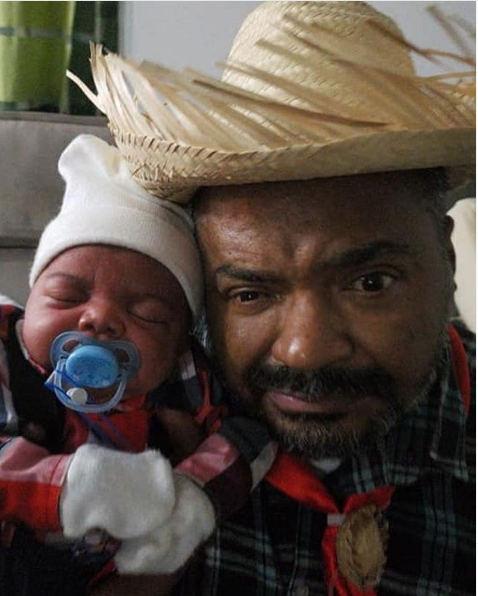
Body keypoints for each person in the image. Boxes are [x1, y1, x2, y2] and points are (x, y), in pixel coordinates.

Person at [69, 2, 475, 595]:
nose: (305, 351)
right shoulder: (109, 435)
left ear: (447, 257)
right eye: (250, 293)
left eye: (370, 283)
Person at [0, 134, 276, 596]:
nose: (101, 318)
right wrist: (74, 486)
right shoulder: (7, 353)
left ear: (178, 343)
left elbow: (251, 440)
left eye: (147, 314)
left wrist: (193, 499)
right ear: (31, 299)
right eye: (67, 296)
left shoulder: (181, 382)